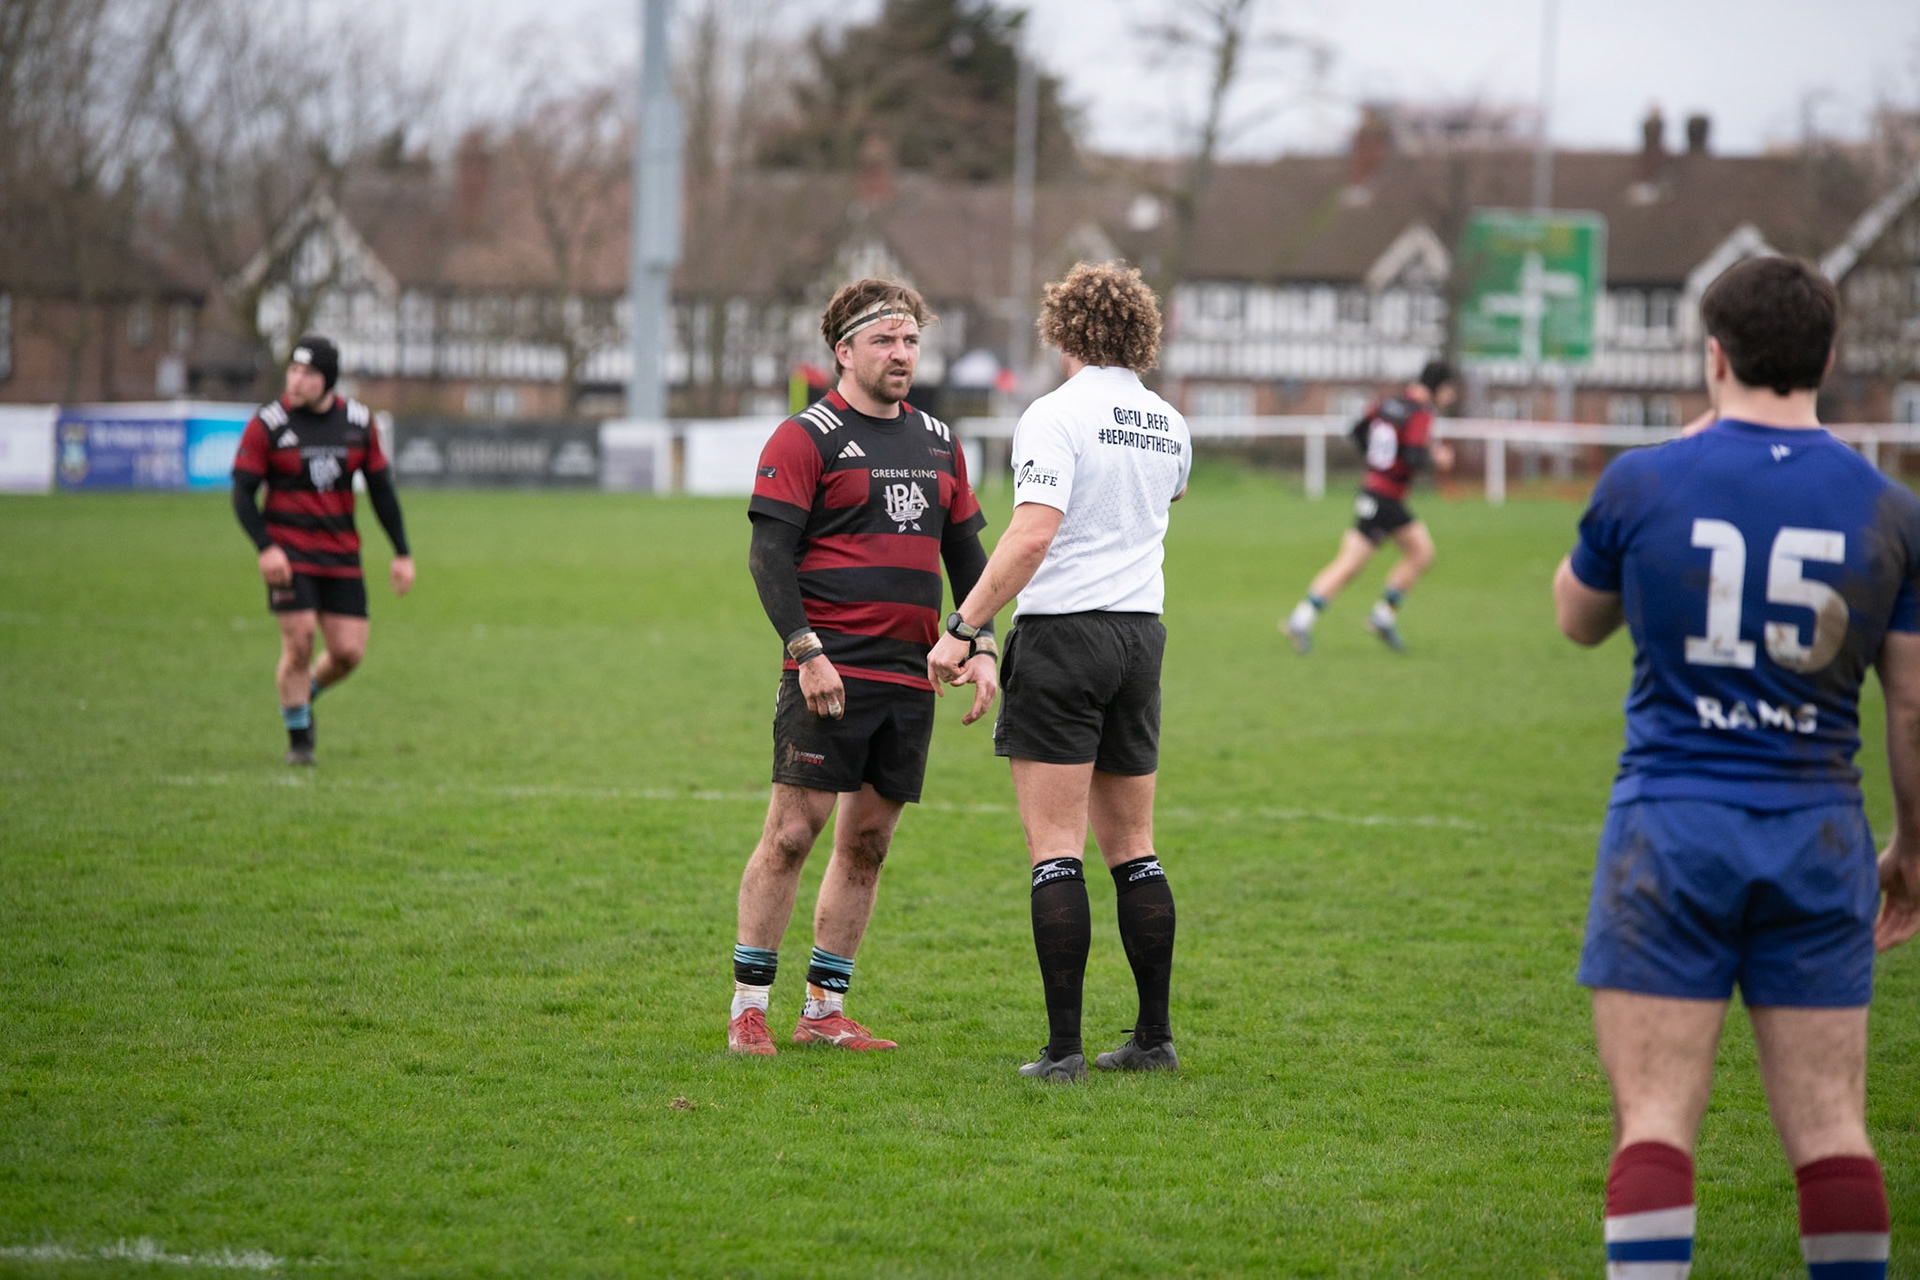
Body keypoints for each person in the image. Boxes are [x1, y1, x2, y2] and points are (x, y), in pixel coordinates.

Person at [1552, 255, 1920, 1280]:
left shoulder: (1645, 479)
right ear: (1829, 359)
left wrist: (1649, 497)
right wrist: (1915, 851)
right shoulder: (1891, 509)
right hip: (1820, 832)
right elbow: (1915, 707)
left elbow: (1575, 620)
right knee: (1834, 1126)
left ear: (1713, 357)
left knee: (1657, 1120)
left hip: (1669, 827)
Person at [928, 261, 1192, 1082]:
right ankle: (1153, 1040)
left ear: (1062, 328)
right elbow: (1156, 508)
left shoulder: (1054, 415)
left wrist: (964, 625)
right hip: (1139, 637)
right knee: (1136, 847)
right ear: (1140, 334)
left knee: (1055, 848)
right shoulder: (1169, 422)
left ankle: (1064, 1051)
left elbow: (1035, 533)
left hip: (1064, 635)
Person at [727, 279, 1000, 1057]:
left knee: (869, 843)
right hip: (828, 671)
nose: (902, 354)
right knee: (790, 834)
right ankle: (750, 1007)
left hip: (912, 676)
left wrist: (980, 643)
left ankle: (823, 1010)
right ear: (844, 351)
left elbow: (969, 557)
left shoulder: (942, 442)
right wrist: (805, 649)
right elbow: (767, 556)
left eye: (912, 340)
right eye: (885, 340)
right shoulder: (804, 437)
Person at [231, 335, 414, 766]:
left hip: (341, 552)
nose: (296, 380)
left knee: (349, 652)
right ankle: (300, 743)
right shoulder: (269, 424)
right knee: (299, 643)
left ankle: (303, 694)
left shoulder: (358, 422)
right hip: (289, 554)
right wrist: (265, 548)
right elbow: (242, 493)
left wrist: (402, 552)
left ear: (328, 379)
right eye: (293, 370)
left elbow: (382, 491)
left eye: (308, 373)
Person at [1284, 360, 1456, 653]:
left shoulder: (1388, 404)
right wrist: (1436, 457)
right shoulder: (1421, 414)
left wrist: (1378, 465)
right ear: (1438, 387)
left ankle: (1303, 619)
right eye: (1450, 389)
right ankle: (1381, 616)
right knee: (1420, 554)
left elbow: (1358, 431)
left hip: (1373, 493)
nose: (1451, 396)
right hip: (1387, 499)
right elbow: (1414, 456)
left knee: (1352, 563)